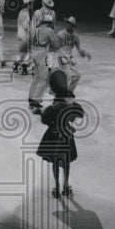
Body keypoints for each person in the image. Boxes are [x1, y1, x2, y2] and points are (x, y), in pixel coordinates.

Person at [37, 70, 85, 198]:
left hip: (53, 137)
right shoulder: (73, 106)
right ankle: (66, 184)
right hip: (67, 136)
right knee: (66, 162)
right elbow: (79, 114)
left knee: (55, 162)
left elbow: (45, 120)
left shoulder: (52, 108)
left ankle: (57, 187)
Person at [28, 20, 60, 114]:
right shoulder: (49, 30)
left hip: (33, 52)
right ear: (49, 23)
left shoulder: (36, 29)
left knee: (36, 78)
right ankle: (36, 101)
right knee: (44, 78)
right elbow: (56, 43)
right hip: (42, 53)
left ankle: (31, 98)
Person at [56, 16, 91, 93]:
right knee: (68, 74)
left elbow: (79, 48)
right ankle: (61, 93)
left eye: (69, 24)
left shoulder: (75, 35)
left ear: (72, 26)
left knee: (77, 75)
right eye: (67, 23)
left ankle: (69, 91)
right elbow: (54, 46)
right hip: (62, 56)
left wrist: (85, 53)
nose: (67, 25)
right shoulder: (60, 34)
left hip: (70, 57)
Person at [13, 0, 34, 75]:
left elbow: (18, 22)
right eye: (31, 4)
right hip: (25, 34)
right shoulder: (26, 13)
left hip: (20, 33)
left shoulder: (21, 12)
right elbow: (26, 26)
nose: (32, 5)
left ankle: (16, 65)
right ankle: (23, 67)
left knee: (22, 52)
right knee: (27, 52)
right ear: (28, 5)